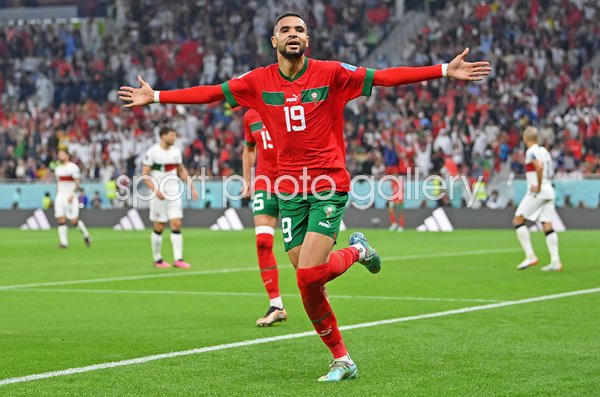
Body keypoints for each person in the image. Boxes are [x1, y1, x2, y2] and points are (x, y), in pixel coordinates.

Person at [119, 12, 490, 381]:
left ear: (307, 41)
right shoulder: (257, 81)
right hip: (288, 190)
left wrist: (442, 70)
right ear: (274, 41)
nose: (293, 34)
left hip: (328, 183)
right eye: (285, 30)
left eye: (299, 29)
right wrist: (156, 97)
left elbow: (385, 77)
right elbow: (214, 93)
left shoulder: (331, 73)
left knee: (308, 276)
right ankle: (345, 344)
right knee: (306, 276)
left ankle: (349, 308)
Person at [241, 108, 287, 327]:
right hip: (265, 182)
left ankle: (318, 286)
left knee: (301, 251)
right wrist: (247, 178)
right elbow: (249, 148)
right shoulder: (250, 116)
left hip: (294, 181)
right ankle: (276, 305)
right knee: (263, 242)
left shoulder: (287, 103)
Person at [142, 127, 198, 269]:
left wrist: (192, 186)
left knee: (176, 223)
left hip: (173, 191)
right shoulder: (152, 152)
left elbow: (181, 170)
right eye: (171, 135)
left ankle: (178, 259)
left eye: (175, 135)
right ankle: (157, 259)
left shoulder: (176, 152)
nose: (174, 138)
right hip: (158, 193)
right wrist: (155, 190)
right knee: (159, 225)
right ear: (163, 136)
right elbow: (145, 175)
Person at [513, 126, 563, 271]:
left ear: (525, 138)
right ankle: (555, 261)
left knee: (518, 220)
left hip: (539, 190)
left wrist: (538, 186)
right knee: (546, 224)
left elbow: (539, 167)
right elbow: (547, 168)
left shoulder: (531, 151)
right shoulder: (544, 151)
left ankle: (530, 256)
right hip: (549, 190)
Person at [54, 149, 91, 248]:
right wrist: (57, 195)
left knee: (73, 221)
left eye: (62, 154)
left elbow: (77, 182)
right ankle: (64, 243)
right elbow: (58, 183)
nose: (60, 156)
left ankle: (86, 235)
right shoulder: (58, 169)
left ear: (67, 155)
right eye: (59, 154)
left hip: (70, 195)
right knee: (60, 219)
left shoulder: (73, 167)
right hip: (60, 196)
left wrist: (73, 194)